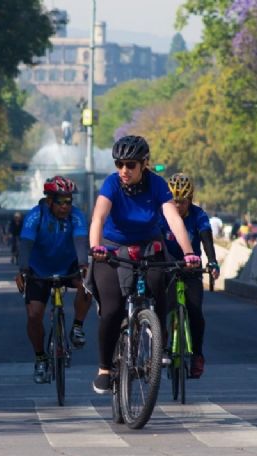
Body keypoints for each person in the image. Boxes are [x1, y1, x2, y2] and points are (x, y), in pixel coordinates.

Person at [87, 135, 200, 394]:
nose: (124, 171)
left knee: (160, 283)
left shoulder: (158, 185)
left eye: (131, 165)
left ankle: (157, 342)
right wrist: (96, 248)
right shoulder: (111, 184)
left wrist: (188, 252)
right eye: (119, 164)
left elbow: (173, 219)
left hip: (149, 246)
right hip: (111, 249)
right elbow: (98, 217)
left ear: (144, 164)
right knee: (112, 310)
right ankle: (105, 368)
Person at [14, 176, 93, 384]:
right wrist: (23, 269)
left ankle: (77, 327)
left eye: (69, 201)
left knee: (88, 284)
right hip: (39, 269)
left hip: (68, 266)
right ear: (49, 200)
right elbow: (26, 243)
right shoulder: (35, 215)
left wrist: (84, 264)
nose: (66, 206)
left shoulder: (76, 216)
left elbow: (80, 240)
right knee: (34, 315)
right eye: (61, 202)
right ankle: (40, 358)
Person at [160, 173, 220, 378]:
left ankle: (197, 355)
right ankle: (162, 346)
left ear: (190, 199)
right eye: (174, 201)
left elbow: (206, 240)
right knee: (161, 307)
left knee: (195, 312)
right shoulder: (162, 214)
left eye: (182, 202)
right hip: (166, 266)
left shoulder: (199, 215)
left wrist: (212, 261)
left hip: (191, 268)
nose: (178, 206)